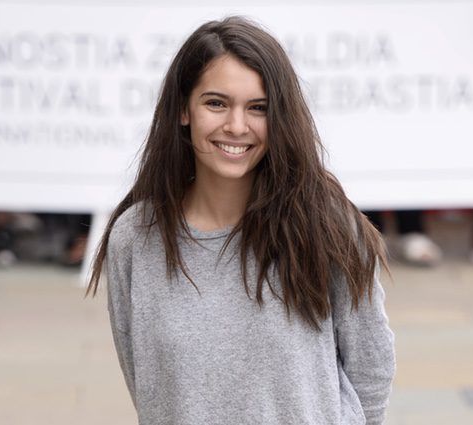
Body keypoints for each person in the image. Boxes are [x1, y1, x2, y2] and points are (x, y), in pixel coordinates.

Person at [86, 17, 396, 425]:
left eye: (258, 108)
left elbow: (371, 368)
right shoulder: (135, 238)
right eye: (216, 103)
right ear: (184, 109)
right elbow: (148, 385)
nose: (236, 126)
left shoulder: (327, 226)